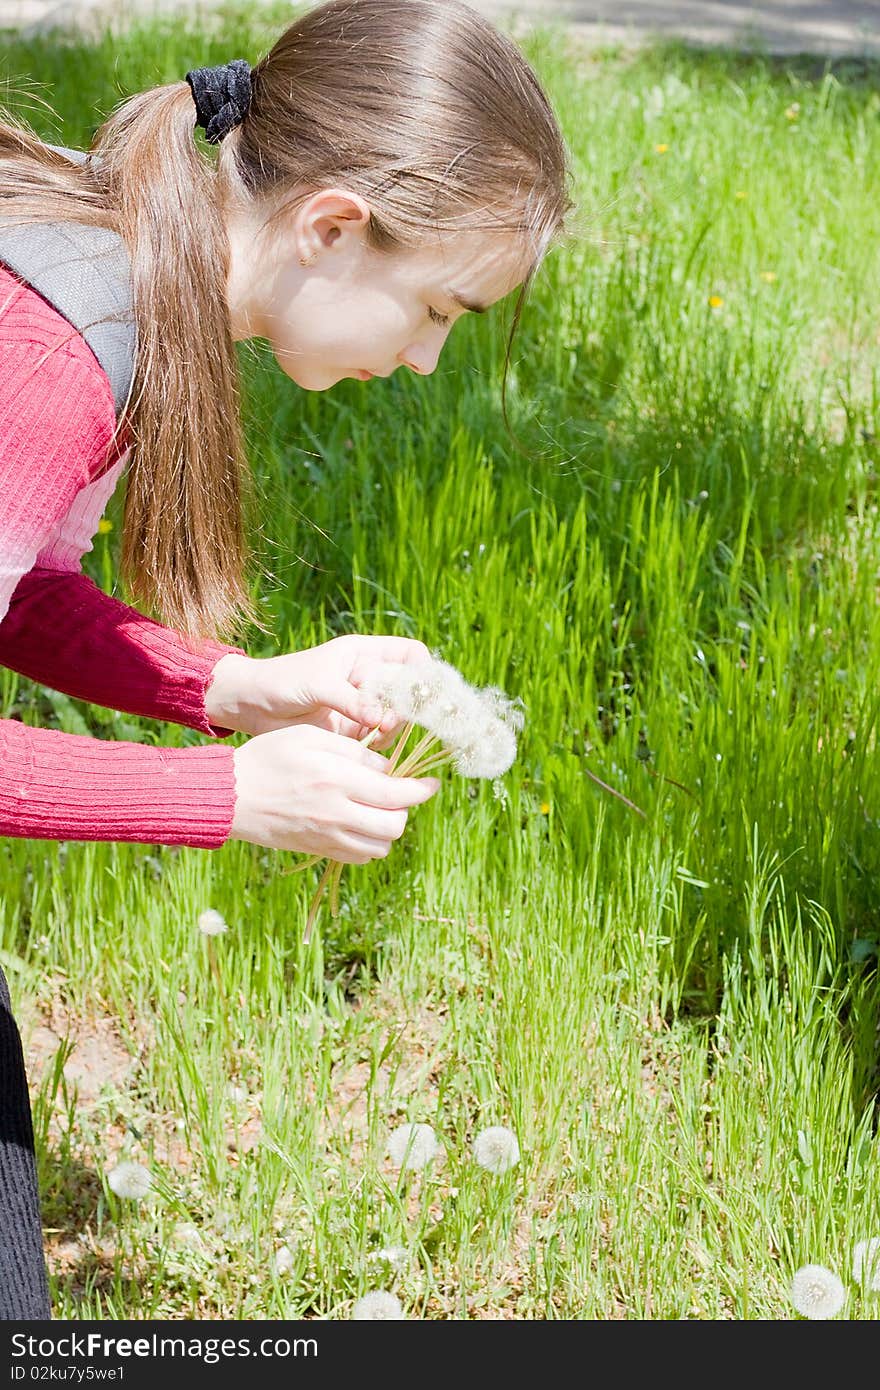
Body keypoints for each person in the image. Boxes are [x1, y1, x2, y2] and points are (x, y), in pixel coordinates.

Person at [0, 0, 571, 1318]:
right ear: (329, 226)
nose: (426, 360)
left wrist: (233, 687)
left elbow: (21, 592)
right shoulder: (56, 352)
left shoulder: (130, 291)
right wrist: (235, 796)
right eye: (437, 307)